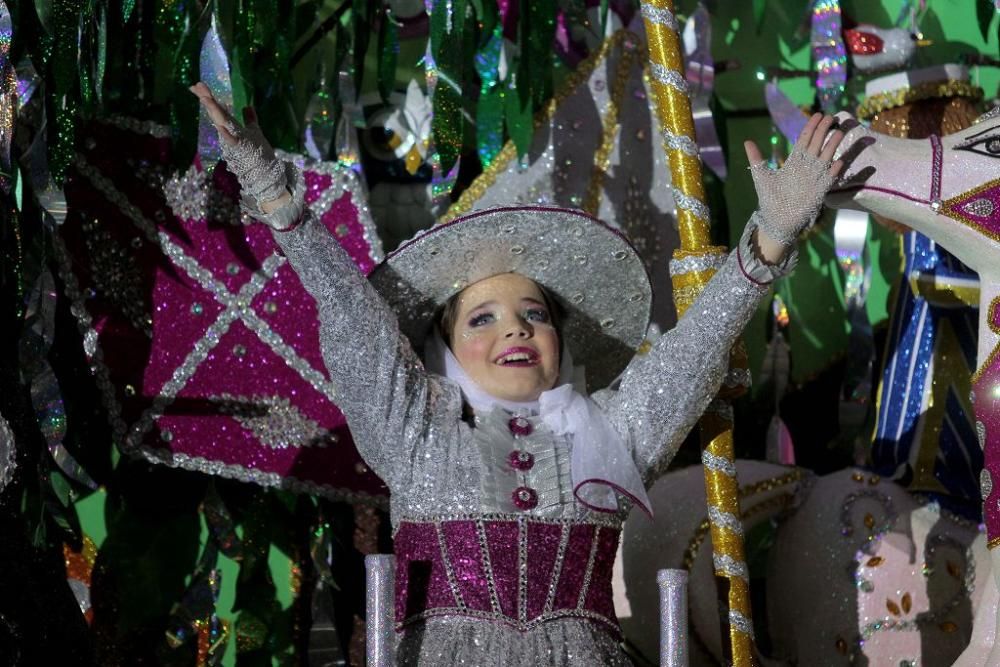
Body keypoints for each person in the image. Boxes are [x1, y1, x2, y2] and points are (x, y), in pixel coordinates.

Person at [190, 82, 848, 665]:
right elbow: (350, 315)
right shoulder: (418, 439)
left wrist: (768, 241)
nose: (514, 328)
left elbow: (693, 353)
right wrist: (280, 201)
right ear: (442, 350)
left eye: (534, 313)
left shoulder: (611, 438)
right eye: (482, 318)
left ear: (561, 342)